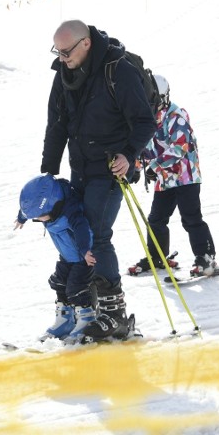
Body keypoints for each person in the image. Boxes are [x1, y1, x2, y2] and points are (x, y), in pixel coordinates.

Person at [41, 20, 156, 340]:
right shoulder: (64, 73)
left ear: (86, 43)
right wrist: (49, 169)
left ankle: (114, 313)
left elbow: (144, 120)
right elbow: (57, 122)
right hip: (80, 167)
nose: (61, 58)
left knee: (96, 235)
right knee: (74, 231)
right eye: (57, 51)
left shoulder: (118, 69)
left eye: (66, 51)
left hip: (110, 168)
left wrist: (129, 154)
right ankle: (84, 307)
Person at [128, 75, 219, 278]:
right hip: (165, 180)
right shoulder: (149, 120)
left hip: (186, 177)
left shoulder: (177, 116)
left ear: (164, 97)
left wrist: (155, 166)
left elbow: (179, 148)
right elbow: (147, 149)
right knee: (156, 219)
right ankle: (157, 256)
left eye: (155, 100)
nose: (152, 104)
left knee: (191, 217)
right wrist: (134, 167)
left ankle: (206, 258)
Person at [15, 174, 97, 342]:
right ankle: (65, 320)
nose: (38, 219)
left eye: (39, 216)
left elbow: (82, 228)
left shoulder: (71, 211)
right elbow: (31, 206)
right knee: (58, 282)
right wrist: (22, 217)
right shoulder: (50, 206)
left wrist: (85, 250)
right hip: (67, 257)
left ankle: (87, 320)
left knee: (76, 287)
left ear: (53, 204)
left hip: (83, 258)